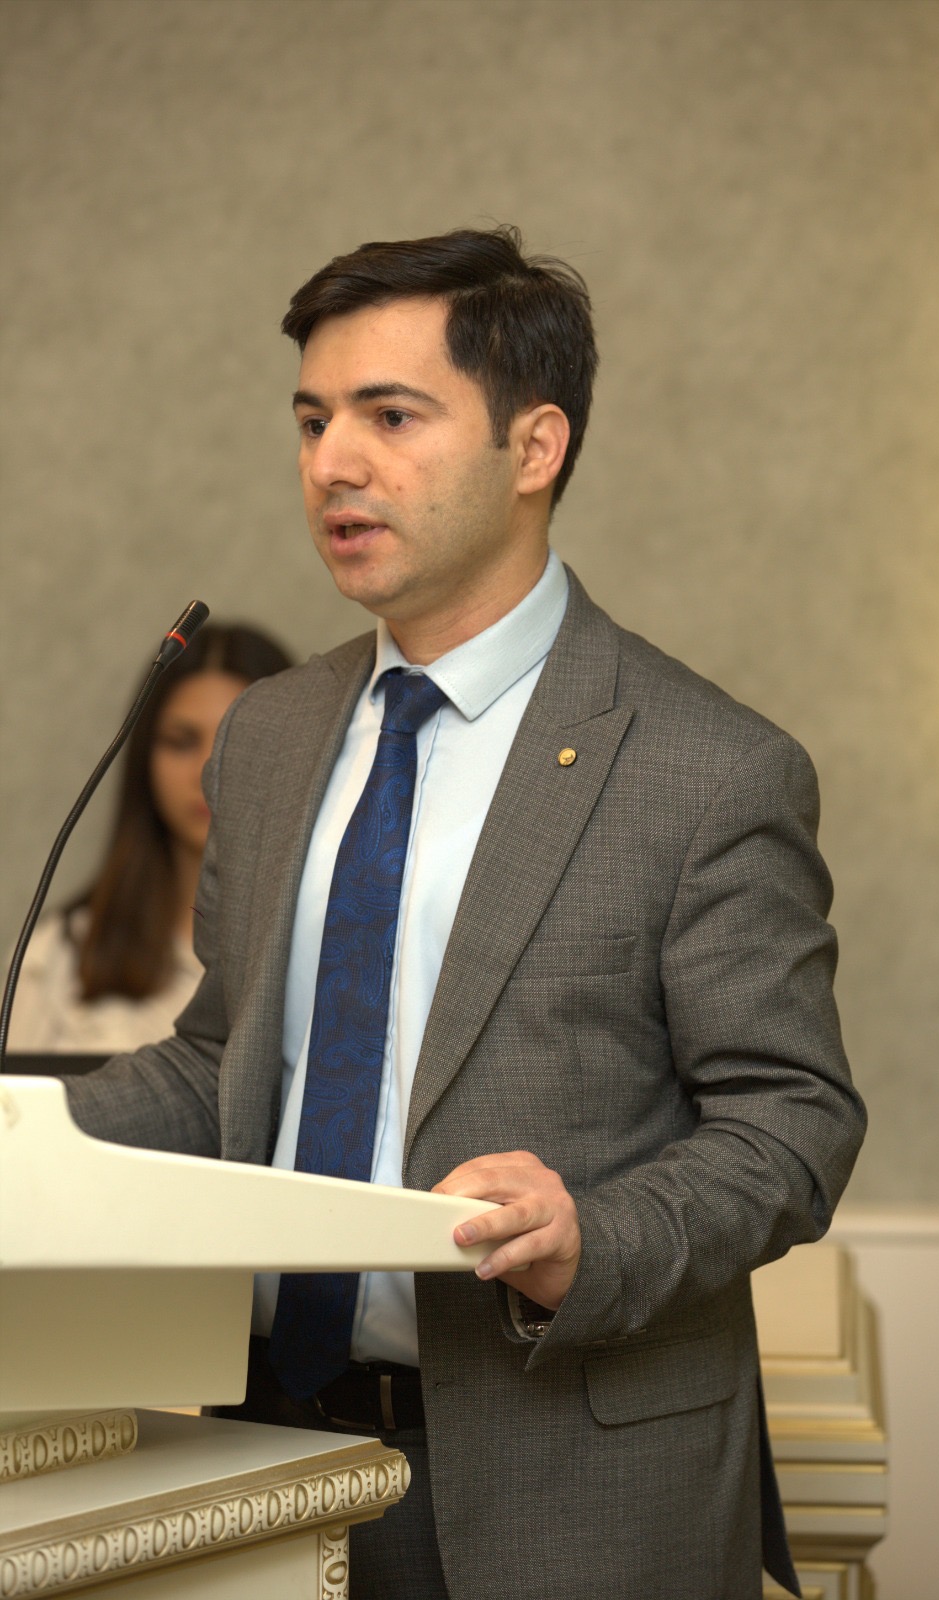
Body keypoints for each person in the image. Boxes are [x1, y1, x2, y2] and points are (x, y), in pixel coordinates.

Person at [63, 227, 866, 1600]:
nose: (333, 462)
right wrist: (30, 1134)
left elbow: (792, 1122)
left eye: (390, 416)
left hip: (570, 1490)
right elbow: (225, 1063)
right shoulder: (270, 735)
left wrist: (594, 1235)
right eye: (312, 420)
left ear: (534, 446)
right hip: (258, 1460)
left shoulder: (705, 767)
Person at [10, 624, 292, 1052]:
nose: (208, 771)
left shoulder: (337, 949)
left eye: (240, 742)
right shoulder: (59, 958)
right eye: (182, 742)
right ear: (145, 758)